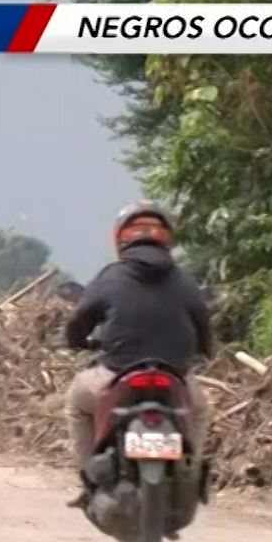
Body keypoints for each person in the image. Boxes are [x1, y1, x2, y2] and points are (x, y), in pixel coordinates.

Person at [63, 201, 213, 494]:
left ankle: (88, 479)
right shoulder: (183, 281)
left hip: (116, 372)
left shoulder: (110, 276)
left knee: (76, 406)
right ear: (167, 238)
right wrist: (207, 350)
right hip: (175, 376)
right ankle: (191, 473)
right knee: (199, 410)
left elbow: (80, 318)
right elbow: (203, 320)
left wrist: (77, 342)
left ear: (120, 238)